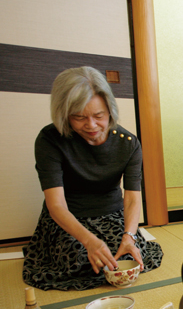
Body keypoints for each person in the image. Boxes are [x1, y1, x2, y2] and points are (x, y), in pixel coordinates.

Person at [22, 67, 163, 291]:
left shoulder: (128, 143)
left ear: (110, 110)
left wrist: (130, 235)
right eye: (79, 118)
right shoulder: (50, 140)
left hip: (112, 214)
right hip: (70, 218)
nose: (91, 125)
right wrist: (89, 241)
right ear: (64, 114)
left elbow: (132, 199)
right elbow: (56, 205)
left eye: (99, 116)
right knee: (81, 260)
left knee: (128, 254)